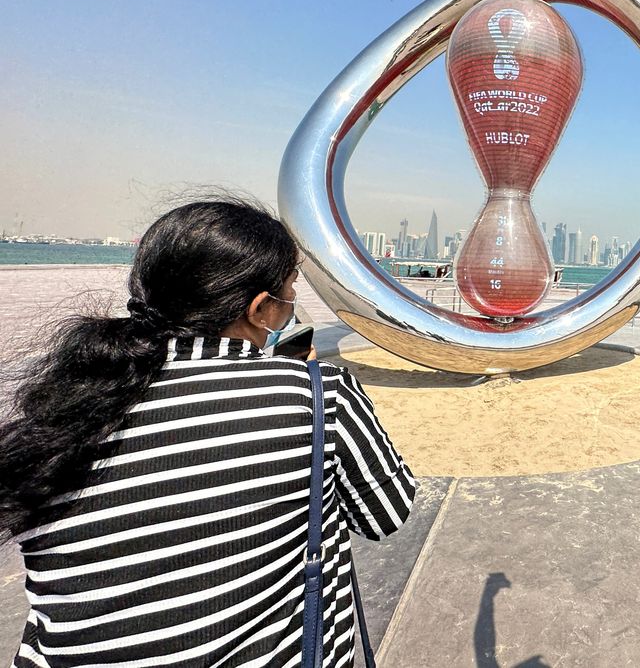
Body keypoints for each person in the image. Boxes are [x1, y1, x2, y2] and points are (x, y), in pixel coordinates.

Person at [0, 195, 416, 667]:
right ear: (261, 309)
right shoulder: (318, 396)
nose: (293, 303)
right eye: (292, 288)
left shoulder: (70, 399)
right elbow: (385, 515)